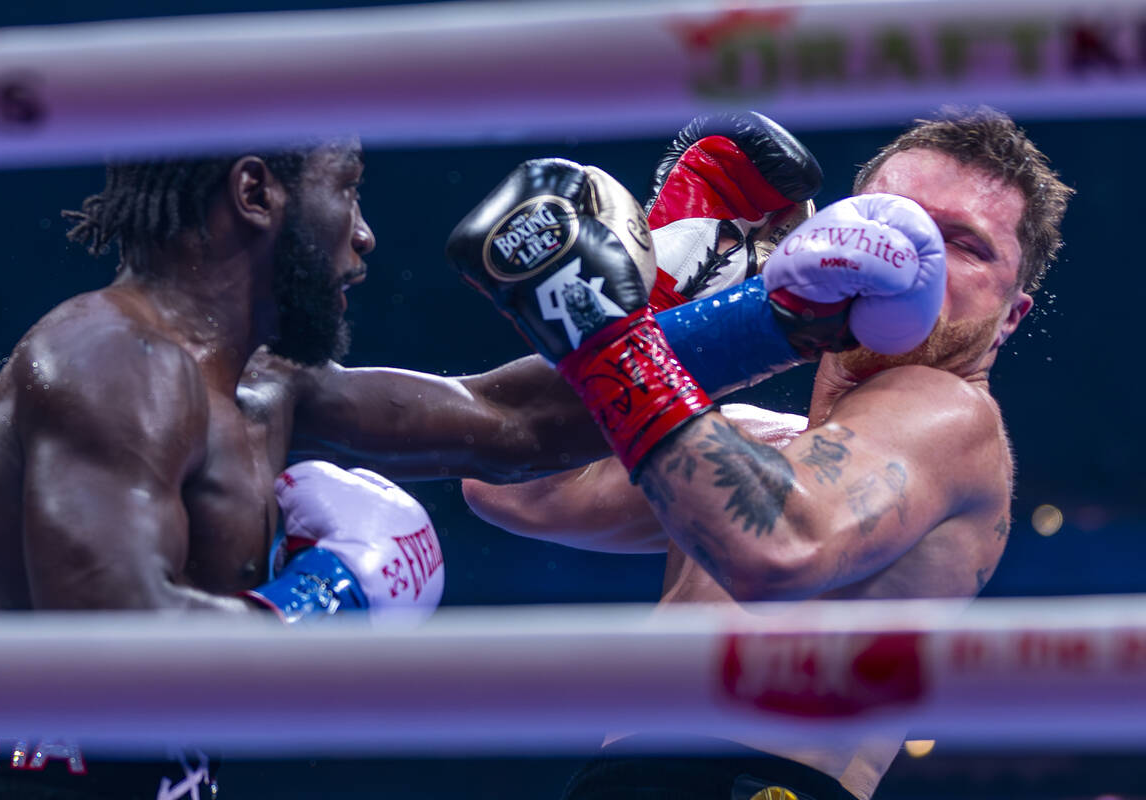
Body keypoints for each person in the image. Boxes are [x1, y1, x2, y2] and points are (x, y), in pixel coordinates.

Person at [0, 115, 881, 798]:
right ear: (255, 194)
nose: (363, 234)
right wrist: (338, 595)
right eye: (345, 188)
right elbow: (111, 667)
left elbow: (511, 422)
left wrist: (779, 314)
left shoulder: (265, 386)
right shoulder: (112, 361)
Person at [451, 109, 1073, 800]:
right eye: (897, 220)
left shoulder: (953, 416)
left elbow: (779, 545)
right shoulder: (747, 443)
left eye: (964, 244)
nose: (912, 256)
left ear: (1010, 316)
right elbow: (509, 483)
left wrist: (621, 331)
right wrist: (672, 299)